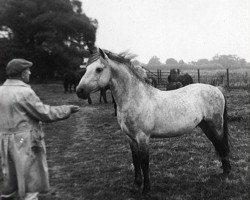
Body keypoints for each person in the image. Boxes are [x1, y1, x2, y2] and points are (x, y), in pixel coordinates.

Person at [0, 59, 80, 200]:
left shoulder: (1, 90)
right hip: (23, 140)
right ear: (22, 73)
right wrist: (66, 109)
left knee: (9, 179)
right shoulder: (24, 92)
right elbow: (44, 113)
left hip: (4, 140)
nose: (30, 73)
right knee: (29, 179)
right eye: (28, 71)